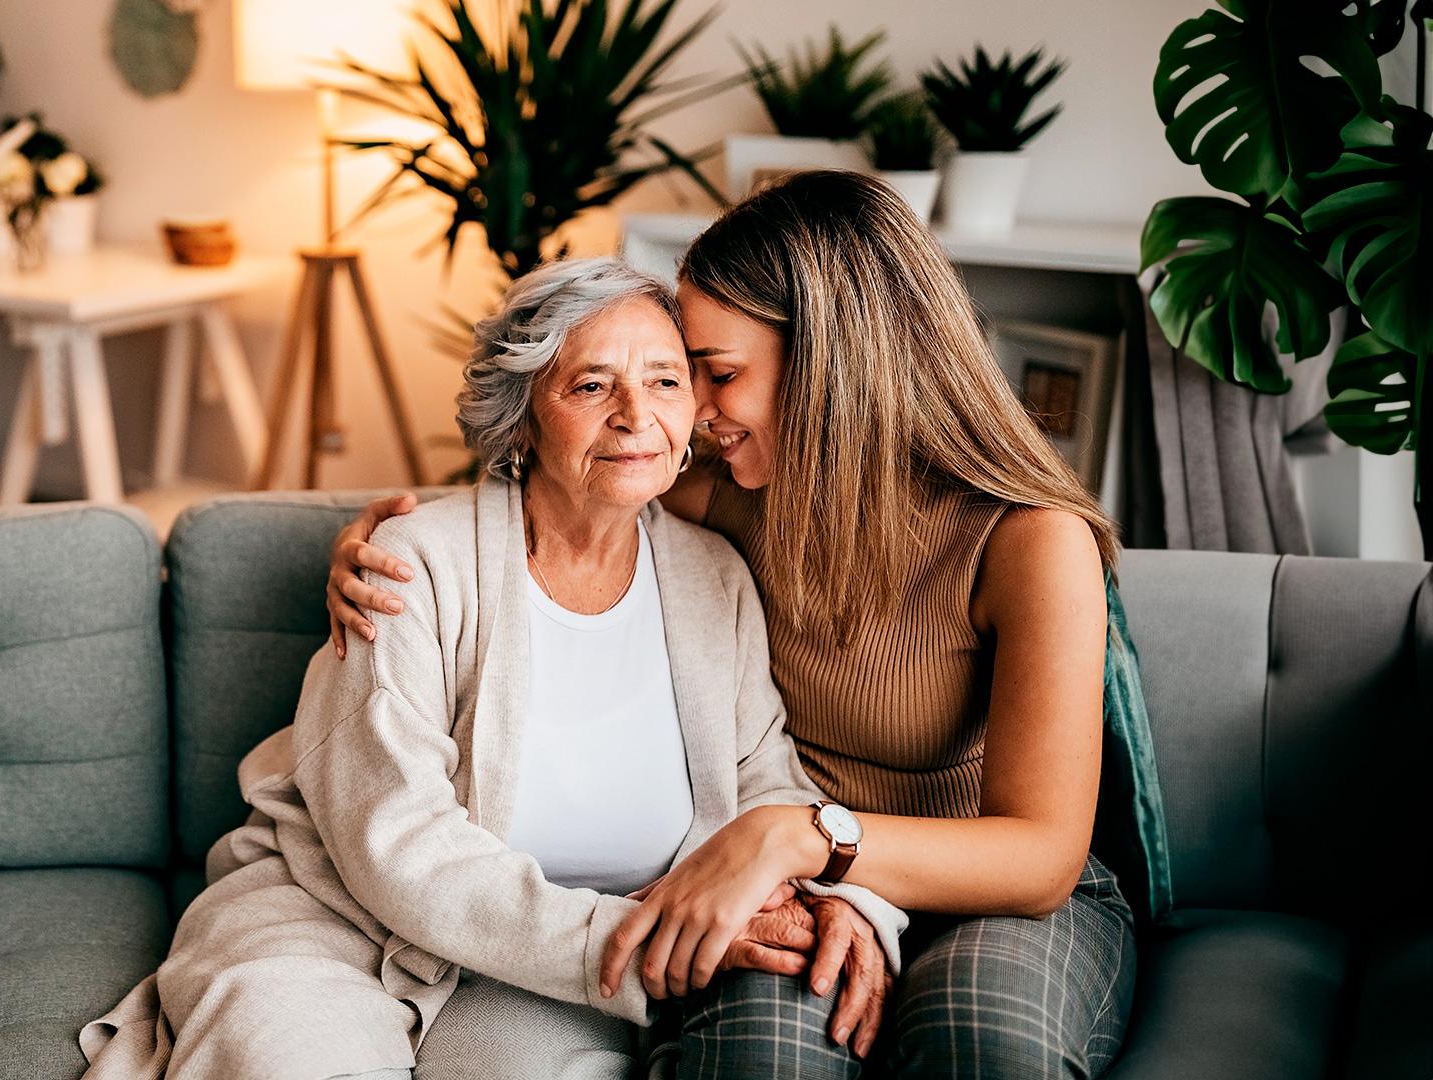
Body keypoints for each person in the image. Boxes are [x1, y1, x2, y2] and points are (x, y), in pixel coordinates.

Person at [326, 170, 1137, 1080]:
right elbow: (564, 490)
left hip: (979, 895)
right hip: (786, 887)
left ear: (833, 362)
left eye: (716, 374)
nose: (693, 413)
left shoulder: (1030, 543)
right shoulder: (731, 500)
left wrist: (801, 837)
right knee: (761, 1059)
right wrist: (383, 541)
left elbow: (1040, 857)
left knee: (985, 1045)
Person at [81, 256, 906, 1080]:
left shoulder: (714, 576)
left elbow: (763, 780)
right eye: (590, 386)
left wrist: (834, 900)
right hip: (330, 924)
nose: (634, 416)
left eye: (664, 381)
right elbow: (393, 842)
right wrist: (631, 939)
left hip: (538, 976)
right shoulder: (411, 565)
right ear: (522, 419)